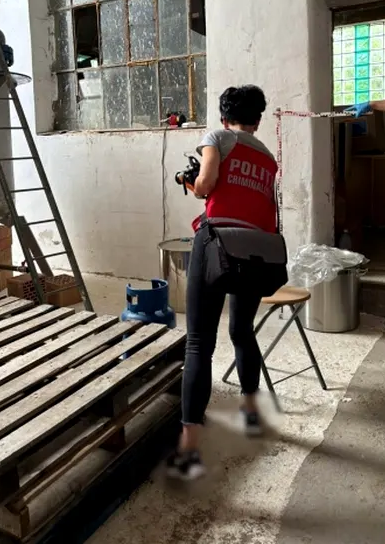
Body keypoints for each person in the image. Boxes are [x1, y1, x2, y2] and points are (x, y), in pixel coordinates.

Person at [166, 85, 279, 481]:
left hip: (217, 243)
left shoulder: (217, 138)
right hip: (257, 251)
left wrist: (187, 180)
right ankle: (251, 412)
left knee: (199, 341)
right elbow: (259, 206)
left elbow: (207, 186)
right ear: (257, 120)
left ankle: (189, 448)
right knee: (242, 331)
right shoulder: (268, 158)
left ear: (223, 117)